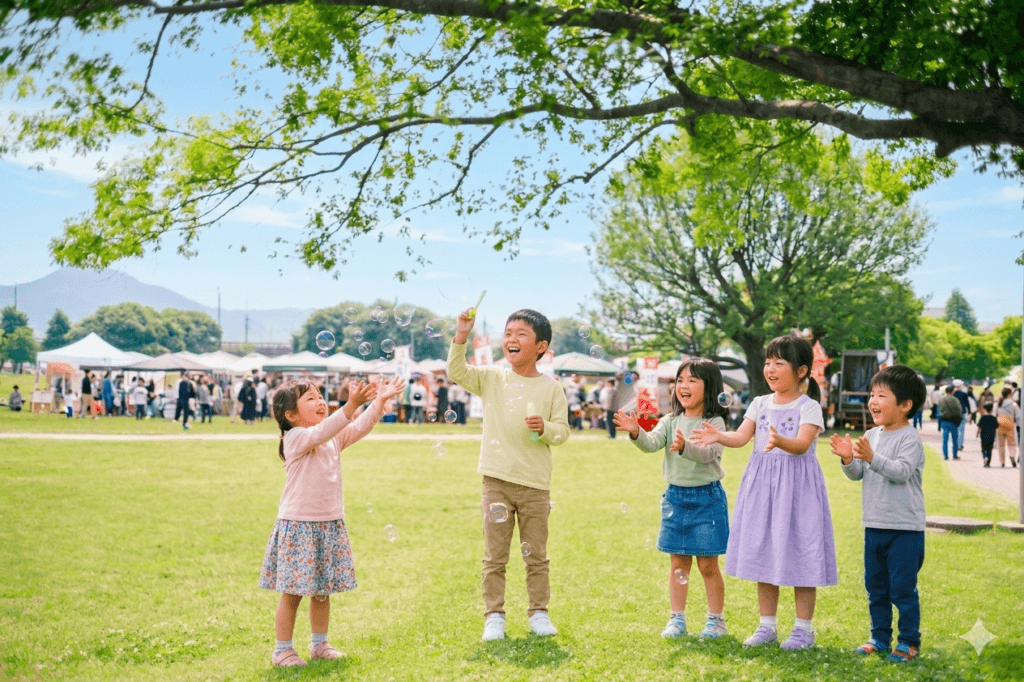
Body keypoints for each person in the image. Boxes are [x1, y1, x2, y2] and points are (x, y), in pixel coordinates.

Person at [691, 334, 836, 650]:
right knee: (766, 552)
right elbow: (742, 437)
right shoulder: (759, 403)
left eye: (779, 363)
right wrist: (718, 436)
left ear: (801, 371)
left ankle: (803, 630)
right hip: (763, 489)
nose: (770, 369)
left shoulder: (809, 406)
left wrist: (781, 441)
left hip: (798, 492)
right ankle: (766, 626)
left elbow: (802, 444)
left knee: (801, 553)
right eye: (768, 362)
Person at [260, 375, 405, 667]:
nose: (320, 401)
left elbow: (358, 427)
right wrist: (350, 406)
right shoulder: (296, 438)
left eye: (320, 396)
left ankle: (319, 644)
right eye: (310, 399)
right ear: (291, 415)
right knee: (292, 594)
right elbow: (322, 431)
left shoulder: (331, 438)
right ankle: (282, 650)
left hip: (327, 524)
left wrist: (378, 402)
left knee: (322, 592)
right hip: (299, 526)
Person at [448, 308, 571, 642]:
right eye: (508, 333)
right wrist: (462, 335)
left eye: (521, 334)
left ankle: (539, 613)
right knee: (495, 556)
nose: (511, 339)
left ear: (541, 346)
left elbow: (562, 432)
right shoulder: (493, 378)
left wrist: (545, 428)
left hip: (535, 484)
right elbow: (456, 370)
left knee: (537, 556)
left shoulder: (551, 389)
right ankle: (494, 616)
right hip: (496, 481)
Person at [613, 358, 731, 640]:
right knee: (678, 565)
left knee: (708, 565)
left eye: (692, 380)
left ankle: (716, 620)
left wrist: (685, 447)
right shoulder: (670, 420)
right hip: (675, 499)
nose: (683, 386)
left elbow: (708, 454)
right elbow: (652, 443)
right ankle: (677, 619)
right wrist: (636, 432)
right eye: (680, 380)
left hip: (707, 499)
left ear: (709, 387)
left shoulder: (714, 423)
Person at [829, 365, 927, 663]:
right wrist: (849, 458)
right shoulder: (872, 434)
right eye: (872, 394)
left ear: (905, 405)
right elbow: (858, 473)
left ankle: (908, 642)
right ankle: (880, 638)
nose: (873, 401)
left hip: (904, 529)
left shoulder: (910, 438)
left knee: (902, 590)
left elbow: (901, 471)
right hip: (874, 526)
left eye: (881, 395)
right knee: (876, 588)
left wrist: (872, 457)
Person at [995, 387, 1020, 467]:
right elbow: (1018, 415)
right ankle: (1012, 456)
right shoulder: (1013, 404)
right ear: (1009, 395)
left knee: (1001, 445)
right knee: (1011, 443)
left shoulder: (999, 403)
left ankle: (1002, 462)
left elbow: (995, 413)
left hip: (1000, 424)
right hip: (1010, 424)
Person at [937, 385, 962, 460]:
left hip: (944, 420)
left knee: (945, 439)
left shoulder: (942, 399)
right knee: (954, 439)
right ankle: (955, 455)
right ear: (952, 391)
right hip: (953, 420)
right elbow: (959, 410)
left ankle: (945, 455)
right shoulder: (955, 399)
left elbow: (939, 410)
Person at [976, 403, 998, 468]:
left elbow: (979, 427)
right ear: (992, 409)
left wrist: (977, 433)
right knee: (989, 449)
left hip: (983, 435)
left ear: (985, 409)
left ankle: (985, 457)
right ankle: (988, 463)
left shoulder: (983, 417)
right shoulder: (993, 418)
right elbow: (996, 426)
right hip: (991, 436)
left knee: (983, 448)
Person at [952, 380, 971, 452]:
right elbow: (967, 404)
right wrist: (969, 412)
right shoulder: (964, 394)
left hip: (954, 413)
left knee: (955, 429)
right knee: (961, 430)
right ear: (960, 386)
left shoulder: (953, 394)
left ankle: (955, 444)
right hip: (962, 412)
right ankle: (960, 445)